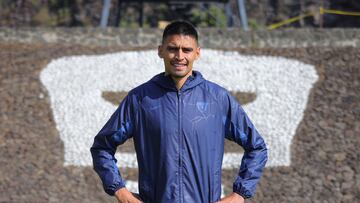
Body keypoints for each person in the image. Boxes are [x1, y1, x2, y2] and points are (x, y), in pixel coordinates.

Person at [90, 21, 267, 203]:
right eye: (173, 49)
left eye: (187, 50)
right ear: (161, 51)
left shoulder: (218, 99)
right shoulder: (140, 99)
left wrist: (239, 195)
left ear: (197, 53)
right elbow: (102, 147)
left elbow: (257, 147)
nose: (179, 56)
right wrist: (120, 191)